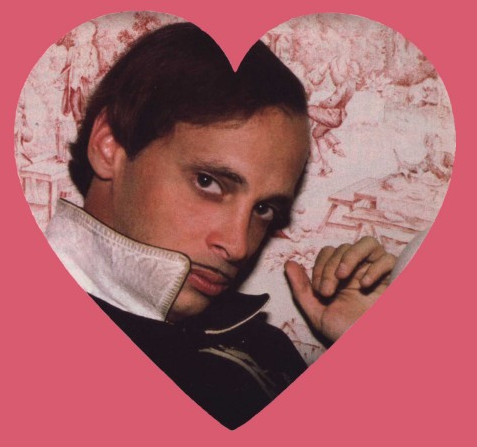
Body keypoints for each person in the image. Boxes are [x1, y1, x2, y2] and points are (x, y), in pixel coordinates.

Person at [45, 22, 396, 429]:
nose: (238, 245)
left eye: (264, 209)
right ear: (109, 147)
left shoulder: (265, 347)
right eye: (208, 183)